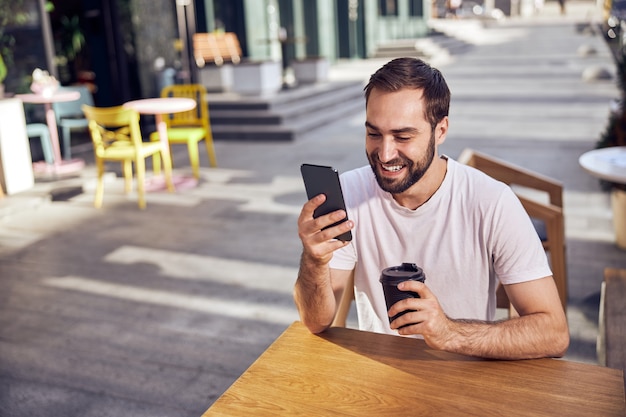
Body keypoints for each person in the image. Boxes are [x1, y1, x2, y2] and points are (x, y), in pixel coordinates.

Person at [294, 57, 569, 360]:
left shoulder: (492, 202)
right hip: (379, 378)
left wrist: (449, 331)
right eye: (374, 134)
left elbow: (553, 333)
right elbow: (316, 321)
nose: (384, 154)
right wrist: (314, 261)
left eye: (403, 136)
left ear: (440, 131)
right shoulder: (350, 194)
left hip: (464, 383)